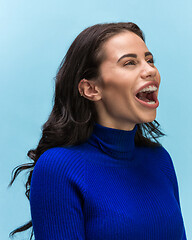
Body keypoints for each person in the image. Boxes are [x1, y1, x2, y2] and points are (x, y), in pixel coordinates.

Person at [9, 22, 187, 240]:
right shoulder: (58, 168)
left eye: (150, 61)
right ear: (91, 89)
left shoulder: (159, 160)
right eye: (130, 63)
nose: (150, 70)